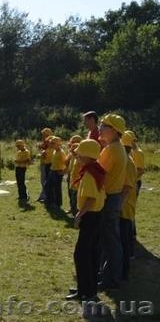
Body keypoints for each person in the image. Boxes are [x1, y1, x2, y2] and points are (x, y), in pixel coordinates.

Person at [65, 139, 106, 302]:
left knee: (82, 255)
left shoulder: (89, 174)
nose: (78, 157)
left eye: (80, 154)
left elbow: (90, 199)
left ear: (88, 156)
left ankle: (86, 292)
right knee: (91, 253)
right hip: (97, 216)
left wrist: (79, 215)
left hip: (90, 216)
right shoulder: (96, 169)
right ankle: (87, 289)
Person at [96, 113, 127, 290]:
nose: (100, 128)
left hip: (108, 199)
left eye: (104, 125)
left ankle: (111, 279)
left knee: (109, 241)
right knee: (110, 240)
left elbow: (99, 174)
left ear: (114, 131)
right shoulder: (117, 147)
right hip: (113, 198)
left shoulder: (111, 149)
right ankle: (108, 275)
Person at [119, 134, 138, 282]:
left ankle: (123, 273)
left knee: (123, 242)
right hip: (122, 208)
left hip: (124, 210)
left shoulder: (128, 163)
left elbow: (125, 188)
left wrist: (117, 207)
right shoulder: (125, 160)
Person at [47, 136, 66, 208]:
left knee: (57, 189)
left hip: (58, 172)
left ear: (57, 144)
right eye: (51, 143)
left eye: (52, 143)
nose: (51, 144)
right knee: (49, 187)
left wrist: (62, 172)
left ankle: (58, 204)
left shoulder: (61, 152)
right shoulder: (55, 151)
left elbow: (65, 163)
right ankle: (51, 202)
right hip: (52, 171)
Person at [37, 127, 54, 203]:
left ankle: (46, 196)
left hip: (48, 164)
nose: (42, 136)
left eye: (44, 134)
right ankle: (43, 195)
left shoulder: (51, 143)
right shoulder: (44, 143)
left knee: (46, 180)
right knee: (43, 180)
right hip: (43, 163)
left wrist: (42, 152)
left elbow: (48, 153)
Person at [66, 143, 80, 215]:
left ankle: (76, 214)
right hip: (71, 179)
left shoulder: (80, 159)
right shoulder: (73, 157)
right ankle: (72, 209)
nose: (72, 151)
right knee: (71, 195)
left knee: (75, 198)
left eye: (74, 150)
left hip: (76, 182)